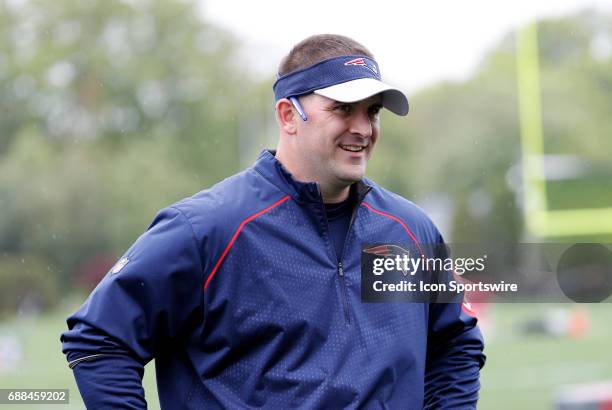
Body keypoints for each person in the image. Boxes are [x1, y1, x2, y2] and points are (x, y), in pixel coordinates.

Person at [61, 34, 485, 409]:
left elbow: (455, 346)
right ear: (288, 115)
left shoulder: (410, 230)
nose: (363, 128)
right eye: (343, 109)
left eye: (372, 112)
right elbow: (99, 340)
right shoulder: (207, 228)